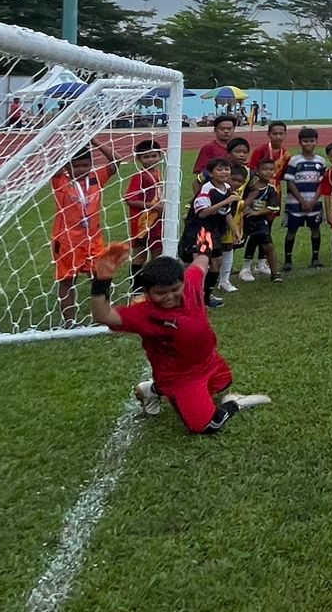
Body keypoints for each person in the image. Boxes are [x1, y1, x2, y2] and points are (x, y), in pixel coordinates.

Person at [87, 244, 270, 434]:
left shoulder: (191, 281)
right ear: (147, 293)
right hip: (180, 378)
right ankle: (233, 403)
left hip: (209, 361)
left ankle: (151, 390)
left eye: (175, 289)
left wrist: (205, 247)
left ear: (183, 281)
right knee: (206, 426)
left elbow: (200, 263)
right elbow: (103, 315)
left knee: (223, 383)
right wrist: (102, 280)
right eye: (160, 293)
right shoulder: (145, 314)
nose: (169, 296)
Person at [50, 139, 118, 328]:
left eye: (85, 165)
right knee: (67, 281)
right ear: (67, 166)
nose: (81, 169)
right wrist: (68, 145)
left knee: (100, 277)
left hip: (93, 239)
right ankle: (69, 322)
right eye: (76, 166)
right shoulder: (60, 181)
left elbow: (116, 161)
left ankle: (102, 315)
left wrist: (94, 141)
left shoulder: (96, 177)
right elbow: (53, 163)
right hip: (67, 241)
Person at [181, 157, 238, 308]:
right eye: (219, 169)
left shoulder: (226, 188)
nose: (224, 172)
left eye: (226, 169)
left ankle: (205, 296)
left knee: (217, 263)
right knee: (202, 264)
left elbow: (226, 213)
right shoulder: (207, 189)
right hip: (200, 230)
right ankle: (193, 296)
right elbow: (203, 213)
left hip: (213, 231)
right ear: (211, 173)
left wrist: (235, 230)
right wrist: (225, 201)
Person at [280, 127, 327, 271]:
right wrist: (301, 200)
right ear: (300, 142)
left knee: (315, 229)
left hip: (314, 203)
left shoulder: (321, 161)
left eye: (311, 141)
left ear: (316, 142)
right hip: (295, 203)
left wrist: (313, 201)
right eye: (305, 141)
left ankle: (315, 258)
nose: (308, 144)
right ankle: (288, 260)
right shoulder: (294, 161)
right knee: (292, 230)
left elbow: (322, 184)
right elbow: (290, 182)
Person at [124, 139, 165, 295]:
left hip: (158, 221)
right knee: (140, 254)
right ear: (138, 159)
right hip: (142, 222)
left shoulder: (158, 173)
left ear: (160, 156)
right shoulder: (139, 176)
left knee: (158, 252)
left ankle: (155, 284)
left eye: (154, 156)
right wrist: (154, 206)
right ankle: (136, 288)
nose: (151, 159)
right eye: (146, 157)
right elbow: (130, 199)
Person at [214, 137, 252, 293]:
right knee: (212, 247)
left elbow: (256, 187)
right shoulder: (219, 166)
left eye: (245, 152)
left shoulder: (249, 172)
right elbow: (199, 180)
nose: (242, 155)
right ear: (229, 153)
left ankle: (225, 280)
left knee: (229, 246)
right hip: (215, 214)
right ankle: (210, 277)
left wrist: (245, 203)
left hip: (233, 215)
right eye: (238, 152)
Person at [238, 157, 282, 283]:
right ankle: (236, 270)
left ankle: (275, 274)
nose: (268, 172)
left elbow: (273, 207)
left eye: (271, 170)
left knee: (269, 246)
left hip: (260, 221)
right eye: (265, 169)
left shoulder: (271, 189)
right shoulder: (248, 187)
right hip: (243, 220)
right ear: (257, 171)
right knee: (235, 244)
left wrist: (256, 213)